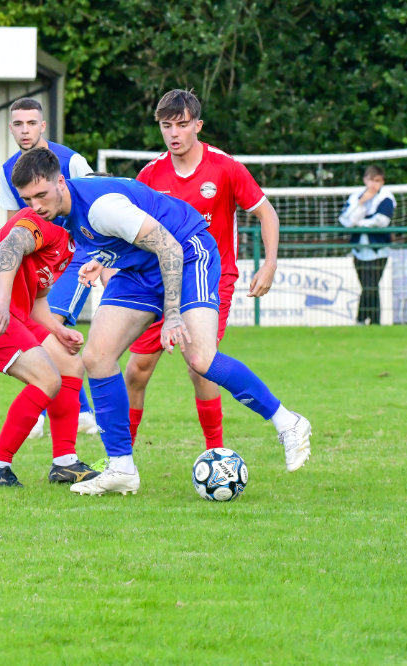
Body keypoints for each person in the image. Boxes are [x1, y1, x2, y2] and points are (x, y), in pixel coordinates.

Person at [12, 148, 312, 496]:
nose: (35, 206)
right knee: (96, 357)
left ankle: (287, 421)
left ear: (61, 182)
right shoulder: (58, 211)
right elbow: (113, 238)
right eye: (27, 199)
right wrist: (101, 258)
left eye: (41, 195)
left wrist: (171, 316)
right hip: (141, 269)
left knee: (200, 358)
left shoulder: (101, 207)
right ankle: (122, 468)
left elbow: (169, 248)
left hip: (188, 252)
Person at [126, 89, 280, 451]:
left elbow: (266, 213)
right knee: (135, 372)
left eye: (182, 125)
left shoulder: (225, 167)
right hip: (160, 281)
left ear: (198, 125)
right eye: (166, 126)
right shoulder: (150, 174)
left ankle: (216, 452)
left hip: (211, 279)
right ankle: (122, 459)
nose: (174, 133)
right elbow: (130, 227)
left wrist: (270, 263)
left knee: (201, 365)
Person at [0, 207, 100, 486]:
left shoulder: (70, 244)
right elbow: (11, 245)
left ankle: (65, 463)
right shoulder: (43, 223)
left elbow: (37, 298)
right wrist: (3, 300)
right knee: (47, 379)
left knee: (70, 363)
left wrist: (58, 330)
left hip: (16, 314)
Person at [0, 97, 99, 439]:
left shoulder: (72, 161)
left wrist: (102, 258)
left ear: (43, 125)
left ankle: (38, 412)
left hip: (76, 257)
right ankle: (82, 413)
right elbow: (14, 225)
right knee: (44, 332)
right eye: (18, 124)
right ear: (11, 128)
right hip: (40, 265)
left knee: (48, 326)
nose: (25, 130)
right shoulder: (8, 171)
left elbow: (96, 201)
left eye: (31, 123)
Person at [338, 165, 395, 325]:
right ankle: (374, 322)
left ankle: (362, 319)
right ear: (365, 180)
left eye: (378, 181)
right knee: (369, 287)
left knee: (370, 286)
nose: (374, 185)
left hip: (379, 250)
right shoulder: (355, 197)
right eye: (371, 180)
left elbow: (382, 221)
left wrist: (359, 223)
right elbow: (345, 221)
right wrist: (361, 203)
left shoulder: (386, 197)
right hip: (359, 250)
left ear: (382, 182)